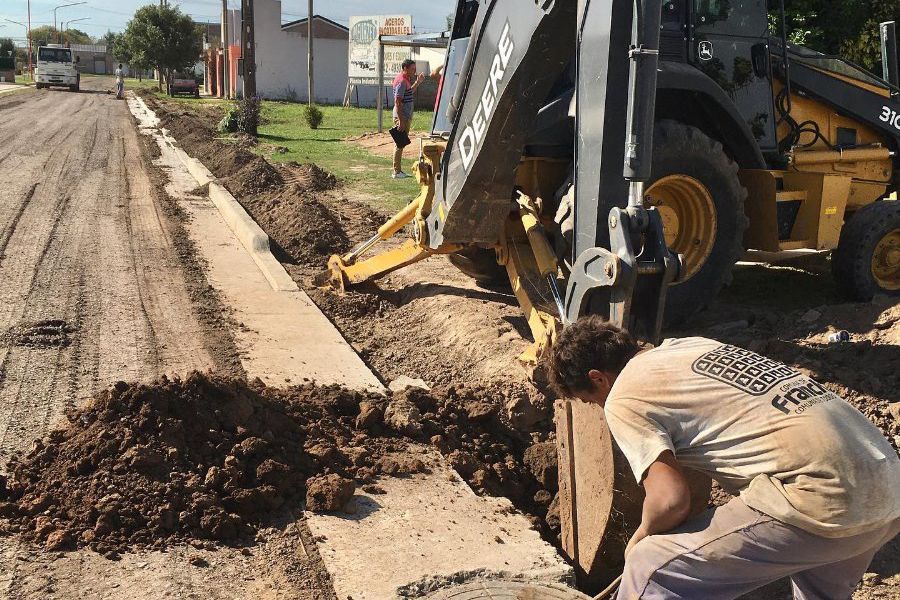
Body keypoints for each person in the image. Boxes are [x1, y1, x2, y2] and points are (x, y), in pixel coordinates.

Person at [548, 316, 900, 599]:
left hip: (820, 496)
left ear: (597, 378)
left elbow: (670, 500)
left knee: (651, 568)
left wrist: (642, 536)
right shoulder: (691, 348)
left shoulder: (622, 395)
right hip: (887, 487)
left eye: (589, 400)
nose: (597, 407)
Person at [391, 59, 425, 179]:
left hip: (405, 116)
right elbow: (398, 102)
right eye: (412, 69)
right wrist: (401, 121)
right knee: (399, 143)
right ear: (405, 68)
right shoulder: (401, 81)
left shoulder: (405, 80)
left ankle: (398, 170)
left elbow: (409, 92)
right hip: (402, 117)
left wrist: (418, 82)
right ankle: (396, 171)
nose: (414, 71)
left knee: (401, 143)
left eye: (415, 69)